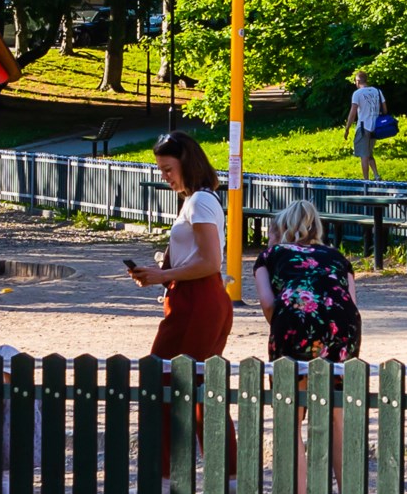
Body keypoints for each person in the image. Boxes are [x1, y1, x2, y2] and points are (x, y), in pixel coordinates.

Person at [127, 128, 231, 359]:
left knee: (168, 371)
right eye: (161, 170)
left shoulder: (199, 201)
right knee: (178, 372)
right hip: (195, 295)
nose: (164, 177)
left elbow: (211, 262)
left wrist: (164, 275)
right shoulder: (197, 199)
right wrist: (157, 274)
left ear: (187, 165)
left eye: (168, 170)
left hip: (198, 297)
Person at [243, 201, 361, 362]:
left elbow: (268, 303)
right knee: (339, 377)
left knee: (289, 374)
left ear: (279, 231)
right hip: (343, 324)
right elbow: (351, 301)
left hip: (294, 319)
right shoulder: (337, 256)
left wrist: (282, 324)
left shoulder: (270, 255)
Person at [347, 68, 388, 181]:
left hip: (363, 127)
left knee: (364, 155)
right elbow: (385, 110)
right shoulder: (377, 91)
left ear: (358, 81)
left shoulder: (357, 94)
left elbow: (352, 113)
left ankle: (366, 181)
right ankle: (376, 175)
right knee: (369, 152)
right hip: (376, 127)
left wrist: (347, 128)